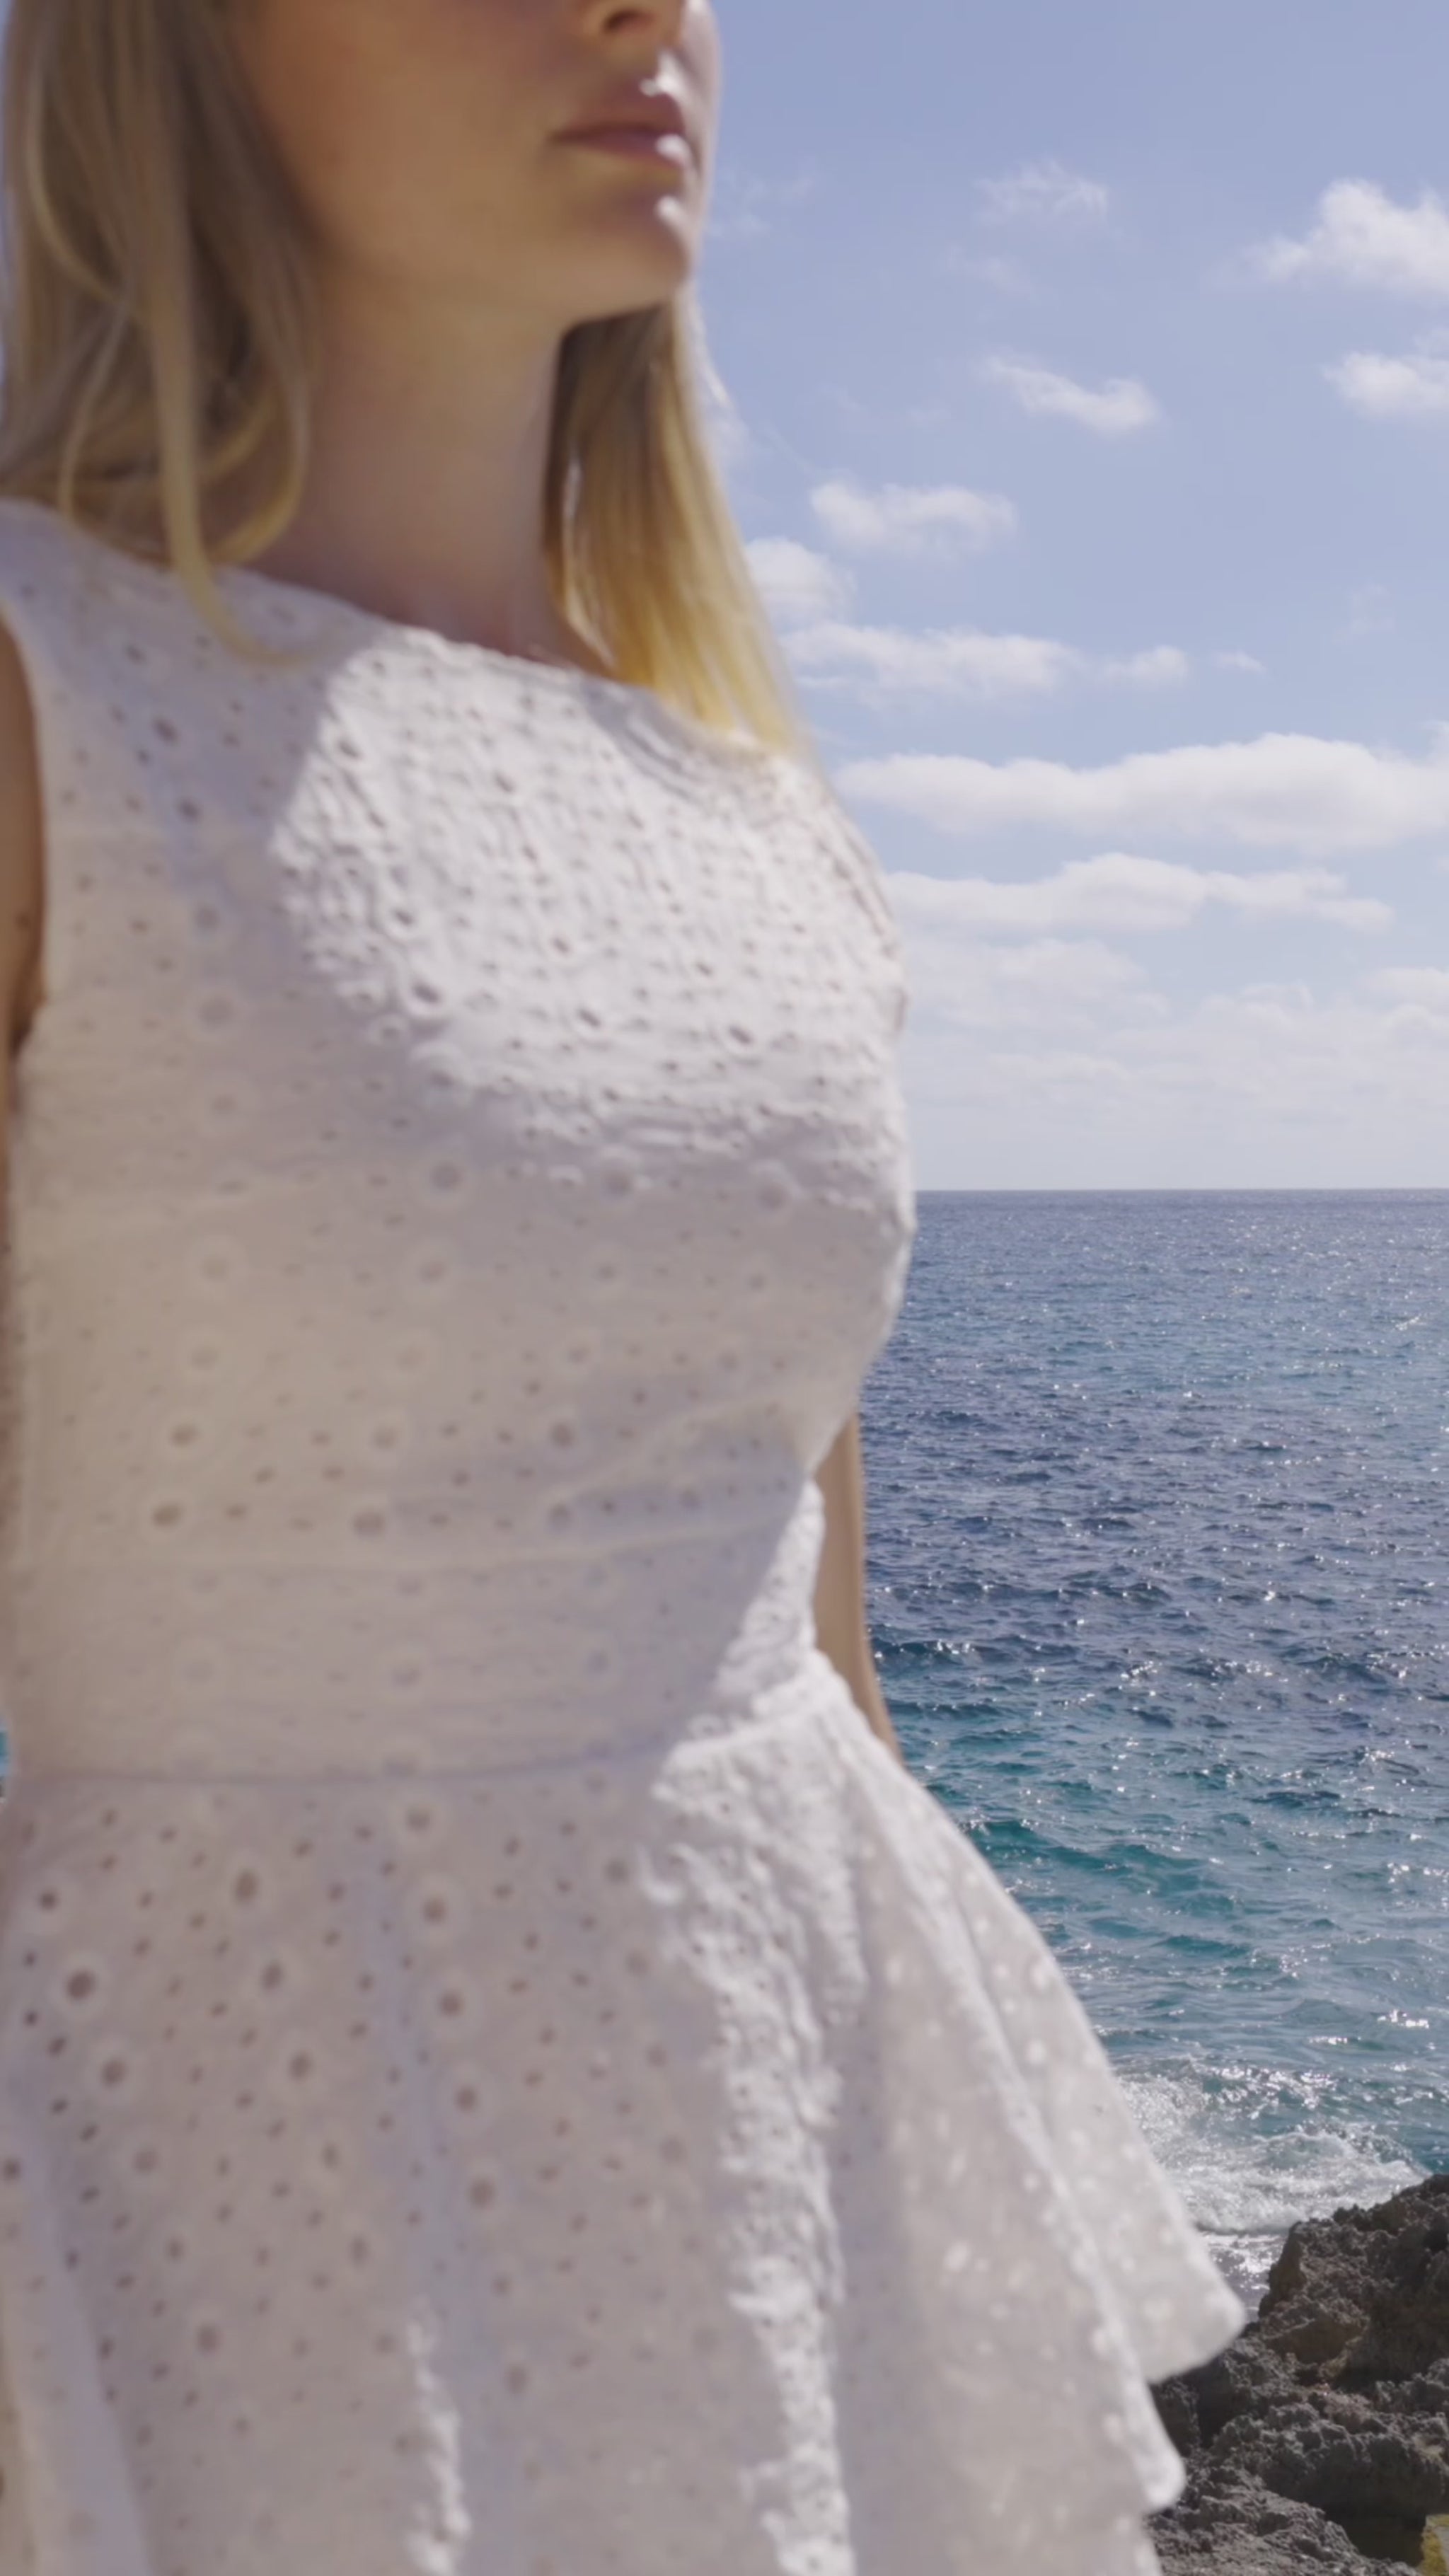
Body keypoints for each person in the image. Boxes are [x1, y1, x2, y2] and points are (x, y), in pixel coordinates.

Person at [0, 2, 1244, 2570]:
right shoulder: (47, 697)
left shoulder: (748, 796)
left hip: (777, 2153)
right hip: (227, 2221)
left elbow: (814, 1637)